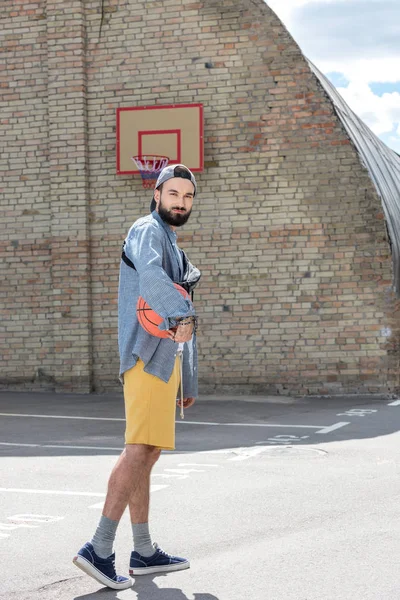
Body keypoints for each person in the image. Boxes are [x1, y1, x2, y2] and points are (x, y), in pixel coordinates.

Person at [73, 164, 201, 590]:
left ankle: (143, 551)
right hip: (146, 357)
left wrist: (189, 382)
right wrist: (181, 312)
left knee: (148, 454)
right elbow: (151, 278)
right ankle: (99, 547)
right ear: (158, 194)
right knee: (137, 450)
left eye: (187, 196)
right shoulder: (146, 229)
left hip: (166, 363)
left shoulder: (174, 244)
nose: (180, 202)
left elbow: (184, 313)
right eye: (174, 194)